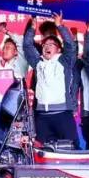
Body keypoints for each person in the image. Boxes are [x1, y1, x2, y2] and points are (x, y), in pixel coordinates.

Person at [22, 13, 78, 147]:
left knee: (70, 148)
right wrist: (32, 28)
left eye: (51, 44)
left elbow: (70, 45)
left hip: (63, 114)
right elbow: (27, 45)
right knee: (44, 150)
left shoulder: (65, 61)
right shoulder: (38, 63)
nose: (47, 47)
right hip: (42, 116)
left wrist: (59, 26)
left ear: (58, 49)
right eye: (44, 45)